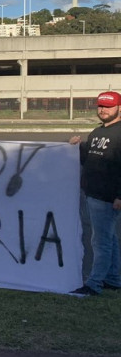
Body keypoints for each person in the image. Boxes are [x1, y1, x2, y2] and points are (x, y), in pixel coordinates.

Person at [68, 91, 121, 296]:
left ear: (118, 108)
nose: (103, 110)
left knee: (100, 241)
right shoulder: (97, 132)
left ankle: (94, 283)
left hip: (107, 196)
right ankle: (114, 279)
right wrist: (76, 147)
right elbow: (87, 159)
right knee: (109, 239)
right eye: (100, 106)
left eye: (108, 106)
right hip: (93, 193)